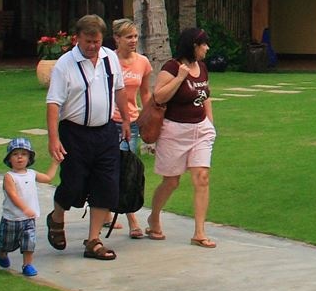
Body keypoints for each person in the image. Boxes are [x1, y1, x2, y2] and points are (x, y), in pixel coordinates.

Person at [45, 13, 128, 260]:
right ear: (77, 38)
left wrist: (125, 118)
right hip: (74, 132)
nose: (92, 47)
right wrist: (53, 139)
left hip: (105, 130)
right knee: (73, 184)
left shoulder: (109, 57)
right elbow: (53, 104)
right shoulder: (65, 64)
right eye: (87, 42)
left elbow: (120, 89)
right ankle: (57, 216)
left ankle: (93, 240)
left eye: (96, 41)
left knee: (107, 185)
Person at [146, 27, 217, 247]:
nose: (207, 48)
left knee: (202, 177)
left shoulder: (202, 68)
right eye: (203, 44)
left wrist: (210, 124)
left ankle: (199, 232)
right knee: (171, 181)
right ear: (193, 46)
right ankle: (154, 217)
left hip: (200, 130)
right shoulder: (171, 67)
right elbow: (158, 96)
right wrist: (180, 78)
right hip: (174, 131)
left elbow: (206, 96)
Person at [111, 17, 152, 239]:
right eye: (128, 37)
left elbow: (145, 92)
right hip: (109, 121)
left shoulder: (143, 62)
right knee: (108, 167)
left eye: (135, 36)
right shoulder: (108, 60)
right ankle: (106, 210)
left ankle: (131, 217)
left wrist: (150, 116)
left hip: (132, 122)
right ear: (117, 39)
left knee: (127, 169)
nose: (133, 40)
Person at [0, 137, 59, 277]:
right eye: (15, 154)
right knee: (7, 243)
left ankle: (27, 265)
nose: (19, 157)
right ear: (9, 158)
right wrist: (24, 208)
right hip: (12, 218)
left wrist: (55, 163)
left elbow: (48, 178)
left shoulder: (32, 174)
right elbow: (13, 195)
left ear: (29, 158)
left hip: (29, 218)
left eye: (24, 154)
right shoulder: (9, 176)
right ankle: (1, 252)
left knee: (29, 243)